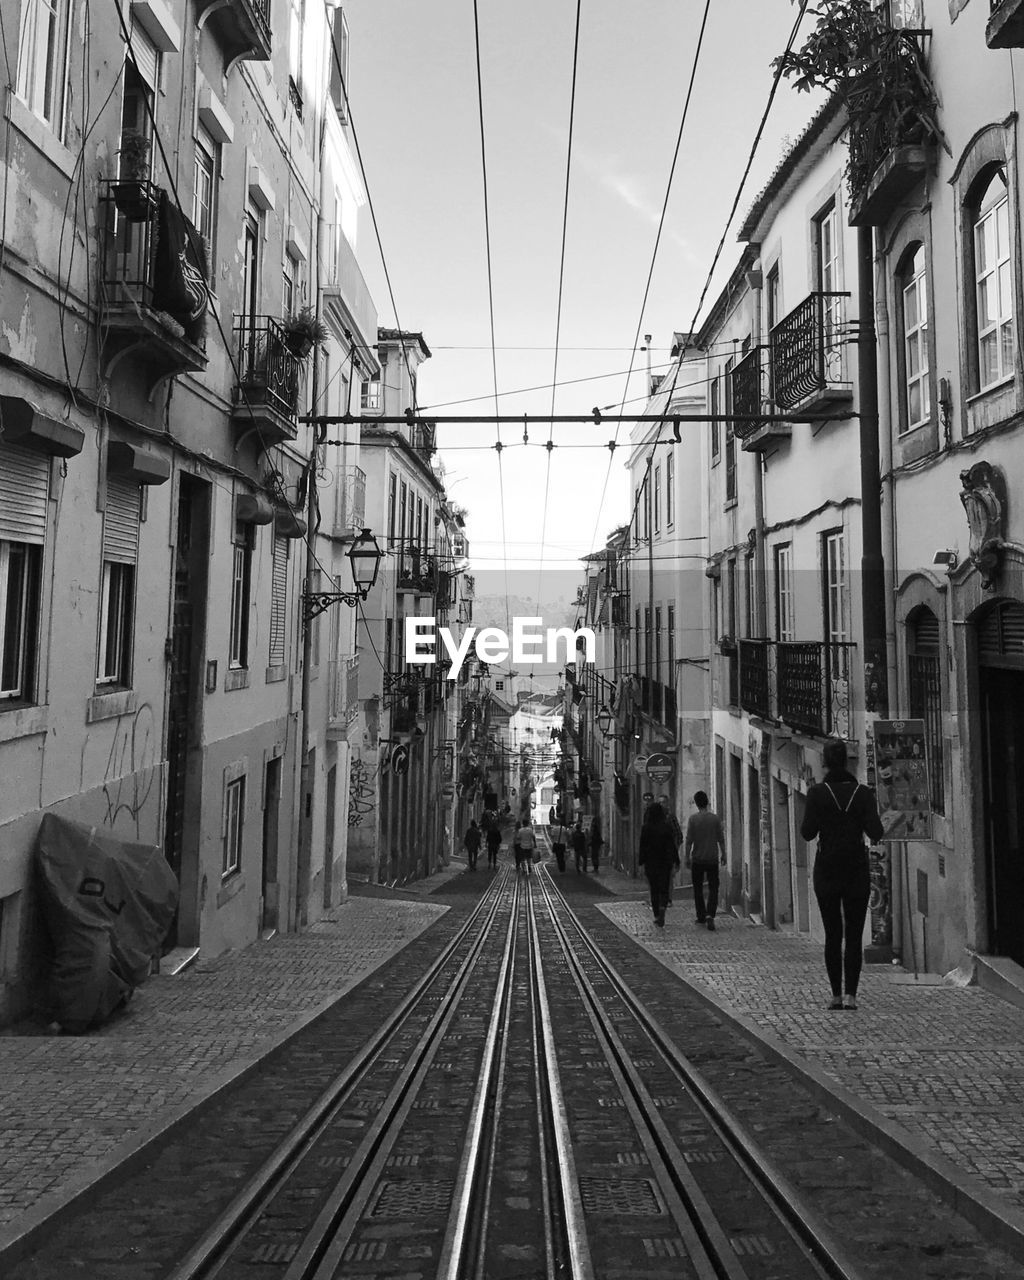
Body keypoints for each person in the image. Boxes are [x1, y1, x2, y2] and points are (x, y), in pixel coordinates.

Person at [801, 738, 884, 1011]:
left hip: (826, 869)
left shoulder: (816, 793)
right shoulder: (862, 793)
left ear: (824, 762)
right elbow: (876, 832)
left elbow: (807, 833)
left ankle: (835, 995)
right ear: (847, 761)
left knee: (833, 934)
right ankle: (851, 996)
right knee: (855, 933)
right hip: (856, 870)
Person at [684, 791, 726, 931]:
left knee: (698, 888)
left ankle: (701, 915)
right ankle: (711, 914)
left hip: (698, 859)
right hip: (712, 858)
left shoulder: (693, 819)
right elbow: (721, 839)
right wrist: (724, 854)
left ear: (696, 803)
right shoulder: (715, 819)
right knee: (714, 887)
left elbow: (689, 841)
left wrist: (686, 857)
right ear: (707, 802)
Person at [639, 802, 679, 927]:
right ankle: (663, 908)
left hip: (651, 863)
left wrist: (641, 861)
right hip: (665, 862)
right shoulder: (666, 826)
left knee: (654, 889)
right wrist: (676, 860)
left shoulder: (646, 827)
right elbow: (672, 845)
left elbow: (642, 846)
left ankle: (657, 914)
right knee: (664, 888)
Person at [659, 794, 684, 907]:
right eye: (659, 802)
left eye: (663, 802)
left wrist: (675, 849)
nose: (661, 805)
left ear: (667, 803)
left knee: (668, 877)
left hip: (668, 853)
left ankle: (668, 899)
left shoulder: (671, 817)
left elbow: (679, 835)